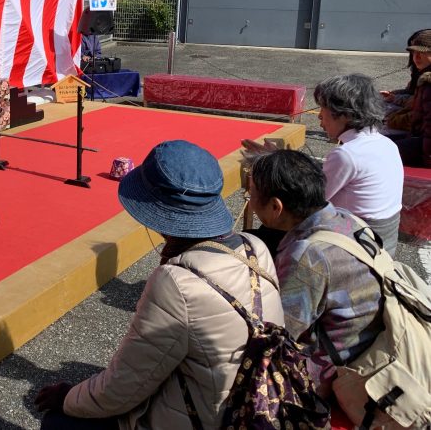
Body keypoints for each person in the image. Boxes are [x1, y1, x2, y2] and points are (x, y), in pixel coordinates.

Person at [34, 140, 283, 429]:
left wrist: (67, 397)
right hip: (256, 401)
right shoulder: (255, 246)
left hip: (207, 419)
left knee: (58, 422)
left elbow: (121, 388)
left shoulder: (176, 281)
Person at [245, 150, 383, 401]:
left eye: (251, 193)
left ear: (276, 207)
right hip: (368, 343)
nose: (250, 200)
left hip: (337, 372)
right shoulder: (346, 219)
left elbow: (279, 332)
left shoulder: (307, 256)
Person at [244, 73, 403, 256]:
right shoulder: (386, 144)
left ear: (344, 114)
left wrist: (271, 163)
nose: (319, 116)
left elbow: (307, 198)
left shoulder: (348, 154)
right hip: (380, 243)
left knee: (261, 235)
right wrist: (277, 156)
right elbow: (320, 177)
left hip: (353, 247)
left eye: (323, 109)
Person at [394, 28, 431, 168]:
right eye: (414, 53)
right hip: (418, 138)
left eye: (422, 53)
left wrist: (427, 162)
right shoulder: (424, 77)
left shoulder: (429, 83)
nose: (416, 57)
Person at [380, 30, 423, 135]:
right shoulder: (418, 70)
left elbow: (418, 113)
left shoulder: (426, 79)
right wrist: (393, 95)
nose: (415, 56)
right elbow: (411, 92)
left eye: (420, 52)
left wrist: (391, 119)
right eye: (413, 51)